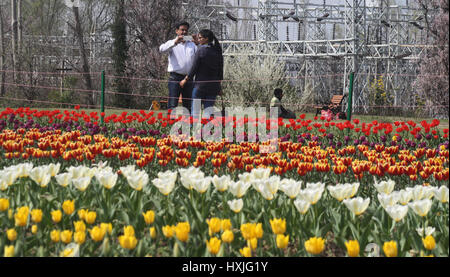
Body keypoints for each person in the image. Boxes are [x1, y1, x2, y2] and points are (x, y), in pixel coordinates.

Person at [179, 29, 223, 121]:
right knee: (208, 111)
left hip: (200, 86)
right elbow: (220, 72)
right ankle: (207, 132)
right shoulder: (217, 52)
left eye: (200, 38)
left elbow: (194, 69)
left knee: (195, 112)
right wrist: (219, 86)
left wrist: (185, 80)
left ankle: (194, 131)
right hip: (213, 86)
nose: (198, 40)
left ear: (206, 39)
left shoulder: (201, 51)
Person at [159, 21, 198, 114]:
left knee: (188, 104)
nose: (184, 32)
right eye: (182, 30)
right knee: (173, 104)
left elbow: (201, 55)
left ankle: (188, 126)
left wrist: (198, 43)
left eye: (186, 30)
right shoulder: (172, 43)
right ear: (177, 31)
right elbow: (161, 49)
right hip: (175, 77)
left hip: (188, 78)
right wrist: (175, 42)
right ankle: (171, 125)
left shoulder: (192, 45)